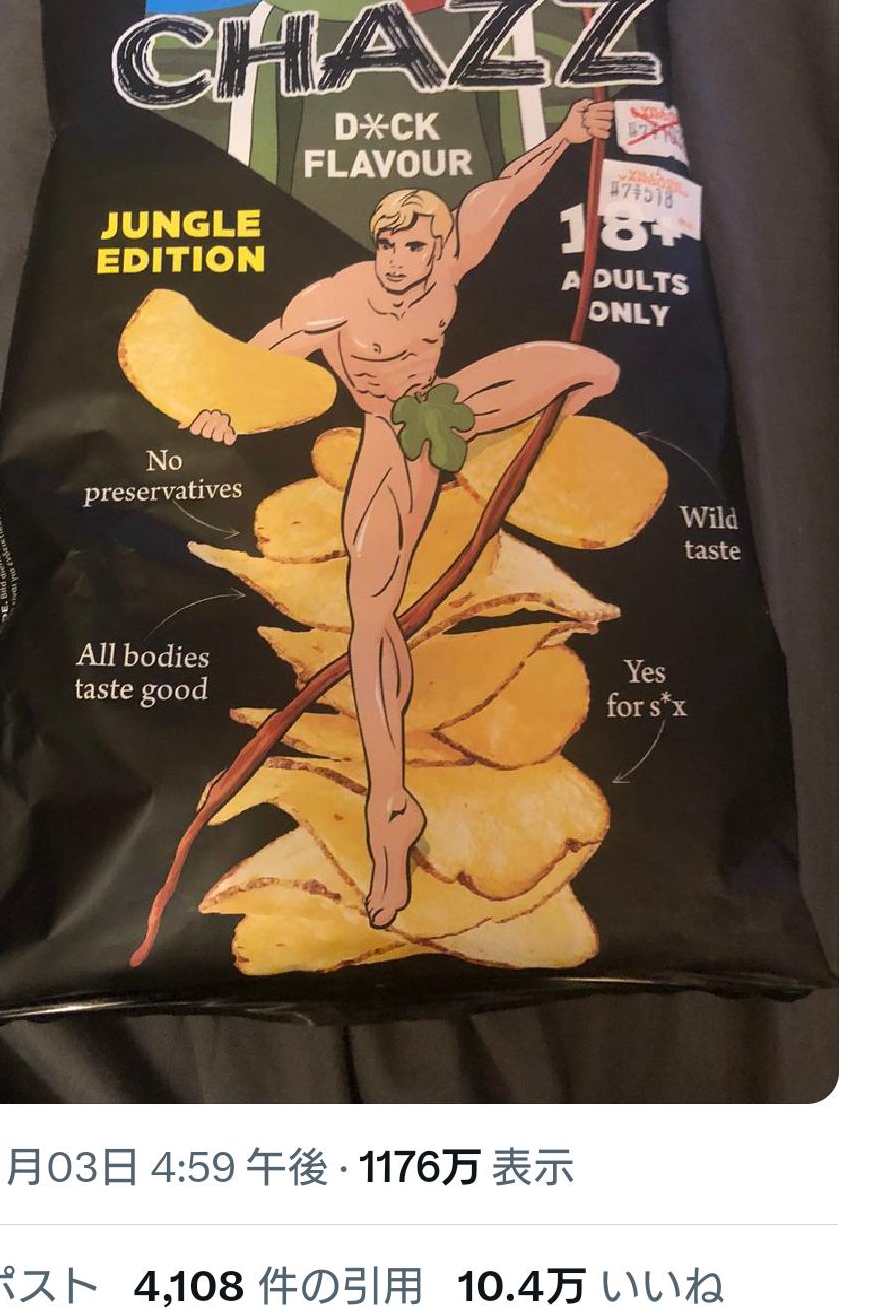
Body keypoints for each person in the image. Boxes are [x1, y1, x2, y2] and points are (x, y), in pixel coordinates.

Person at [187, 98, 617, 927]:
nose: (397, 260)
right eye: (388, 244)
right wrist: (225, 407)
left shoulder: (450, 267)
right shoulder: (340, 298)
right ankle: (392, 807)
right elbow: (271, 345)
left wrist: (567, 135)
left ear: (437, 247)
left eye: (413, 246)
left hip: (448, 407)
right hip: (391, 439)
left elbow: (507, 188)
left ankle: (495, 474)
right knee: (372, 612)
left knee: (591, 370)